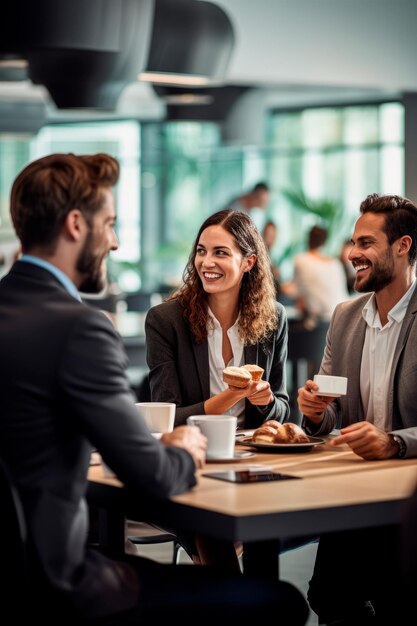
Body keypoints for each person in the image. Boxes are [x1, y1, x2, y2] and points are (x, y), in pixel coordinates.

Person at [0, 153, 310, 626]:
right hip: (61, 585)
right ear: (77, 225)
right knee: (281, 601)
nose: (117, 241)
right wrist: (185, 446)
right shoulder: (81, 328)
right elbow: (150, 473)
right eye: (111, 223)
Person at [145, 208, 291, 576]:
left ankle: (254, 605)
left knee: (263, 524)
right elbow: (167, 418)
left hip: (252, 467)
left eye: (221, 252)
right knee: (214, 529)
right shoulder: (166, 321)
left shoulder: (273, 318)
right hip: (191, 467)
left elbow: (283, 411)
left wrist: (267, 401)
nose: (206, 262)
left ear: (248, 262)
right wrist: (235, 393)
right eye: (200, 251)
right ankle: (238, 607)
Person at [297, 193, 417, 625]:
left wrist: (394, 443)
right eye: (353, 243)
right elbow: (330, 416)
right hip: (355, 487)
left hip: (408, 494)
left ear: (402, 247)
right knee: (327, 597)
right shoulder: (346, 316)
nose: (352, 254)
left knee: (395, 599)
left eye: (366, 243)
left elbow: (394, 441)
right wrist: (314, 411)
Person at [292, 225, 350, 324]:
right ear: (325, 242)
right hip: (342, 319)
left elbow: (300, 301)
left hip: (319, 325)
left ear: (308, 239)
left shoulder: (301, 260)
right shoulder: (335, 263)